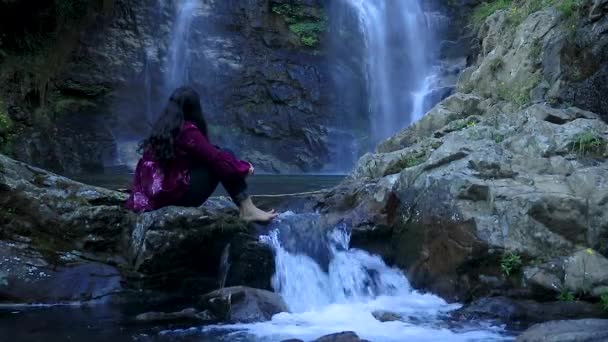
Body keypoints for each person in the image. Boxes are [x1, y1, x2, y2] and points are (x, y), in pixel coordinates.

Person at [125, 86, 277, 222]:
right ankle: (248, 210)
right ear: (194, 109)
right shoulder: (187, 131)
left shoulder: (163, 128)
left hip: (153, 198)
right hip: (173, 198)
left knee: (217, 153)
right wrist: (244, 167)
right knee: (224, 156)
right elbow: (217, 160)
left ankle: (248, 209)